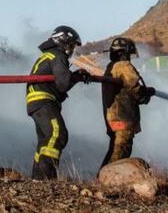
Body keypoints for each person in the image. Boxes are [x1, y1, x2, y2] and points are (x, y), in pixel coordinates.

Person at [26, 25, 91, 179]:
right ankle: (46, 178)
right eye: (72, 45)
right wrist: (78, 76)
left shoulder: (48, 55)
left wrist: (75, 75)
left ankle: (37, 179)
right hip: (43, 100)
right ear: (65, 42)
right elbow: (63, 84)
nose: (73, 49)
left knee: (45, 141)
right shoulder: (57, 55)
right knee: (58, 134)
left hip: (36, 102)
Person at [98, 36, 155, 171]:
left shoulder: (111, 67)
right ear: (126, 52)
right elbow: (134, 87)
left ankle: (102, 179)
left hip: (113, 116)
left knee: (114, 149)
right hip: (122, 116)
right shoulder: (123, 66)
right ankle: (108, 181)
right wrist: (146, 93)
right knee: (120, 151)